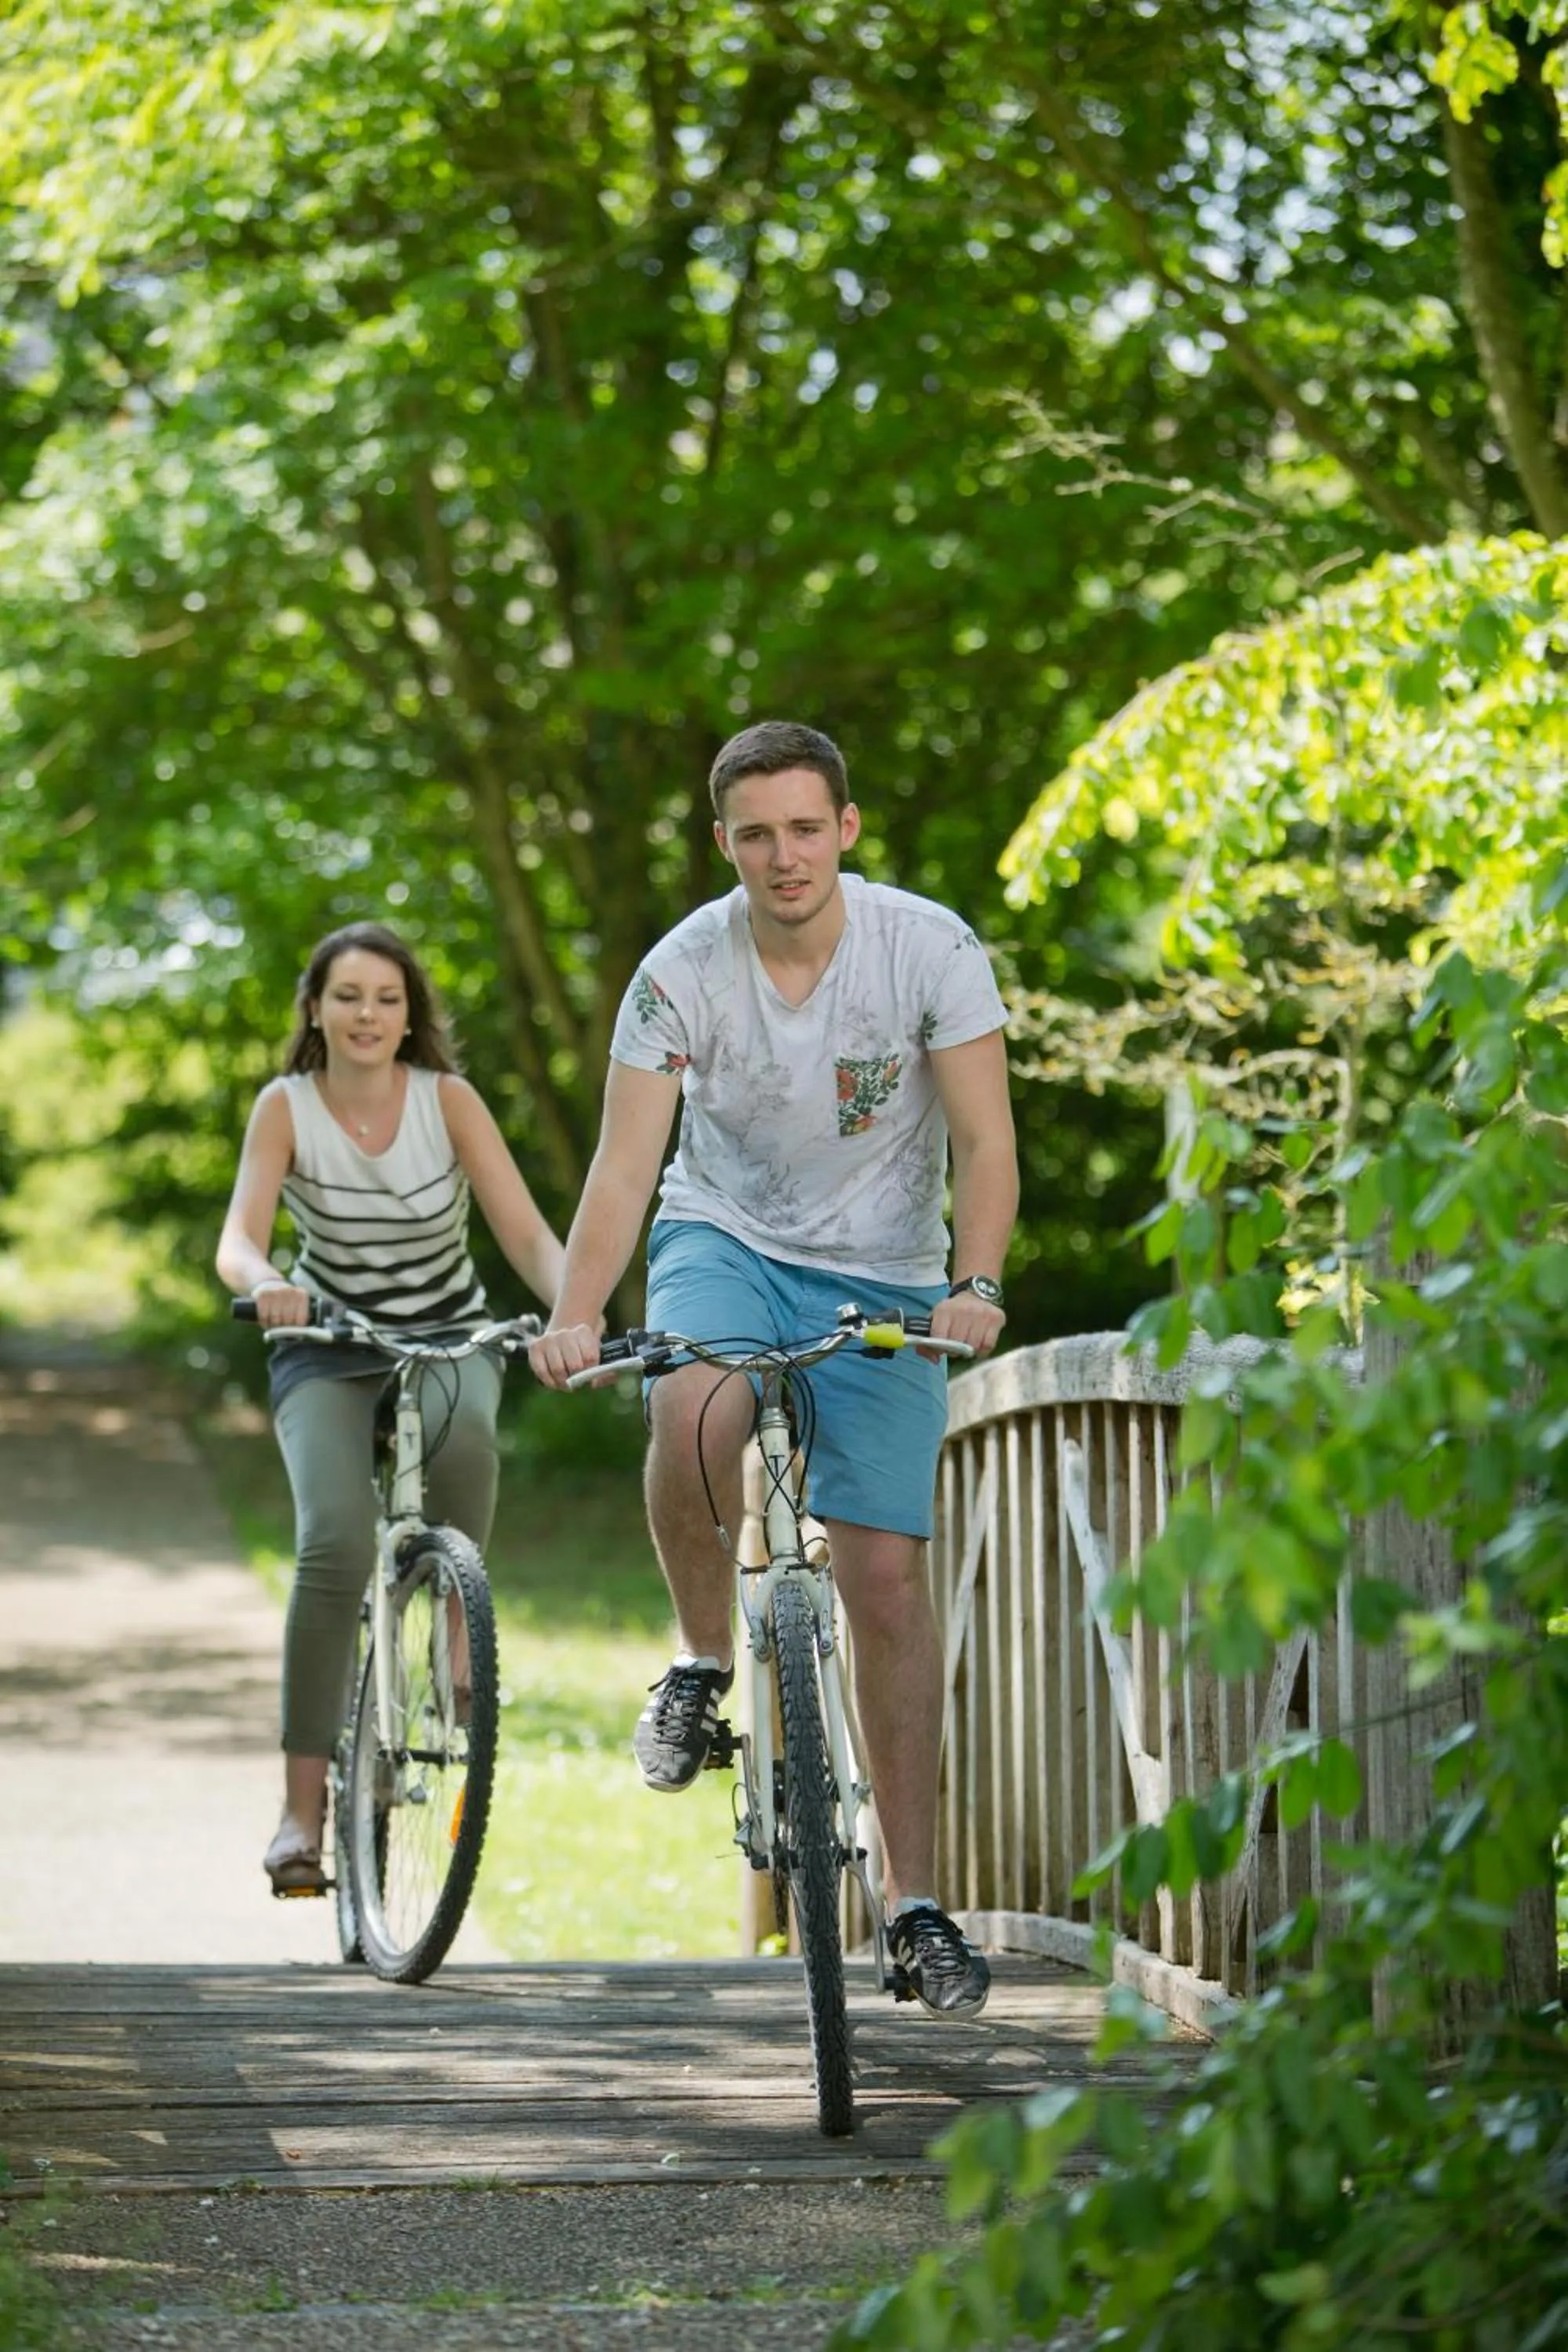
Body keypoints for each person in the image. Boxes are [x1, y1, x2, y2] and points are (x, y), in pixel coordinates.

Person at [529, 721, 1018, 2016]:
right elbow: (627, 1166)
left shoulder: (930, 948)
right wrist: (578, 1314)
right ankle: (701, 1664)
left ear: (847, 830)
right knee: (695, 1404)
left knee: (885, 1578)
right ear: (725, 844)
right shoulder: (680, 970)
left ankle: (913, 1907)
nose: (784, 855)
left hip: (891, 1269)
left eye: (808, 828)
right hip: (724, 1234)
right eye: (757, 834)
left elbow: (986, 1140)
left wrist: (974, 1286)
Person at [216, 921, 564, 1896]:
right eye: (347, 997)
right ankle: (299, 1813)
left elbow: (528, 1234)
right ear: (315, 1010)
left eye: (387, 998)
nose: (367, 1015)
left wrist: (572, 1316)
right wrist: (271, 1280)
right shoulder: (286, 1107)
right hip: (325, 1344)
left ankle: (458, 1626)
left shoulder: (447, 1103)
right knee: (332, 1541)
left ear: (411, 1016)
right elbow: (238, 1242)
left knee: (467, 1447)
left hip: (447, 1332)